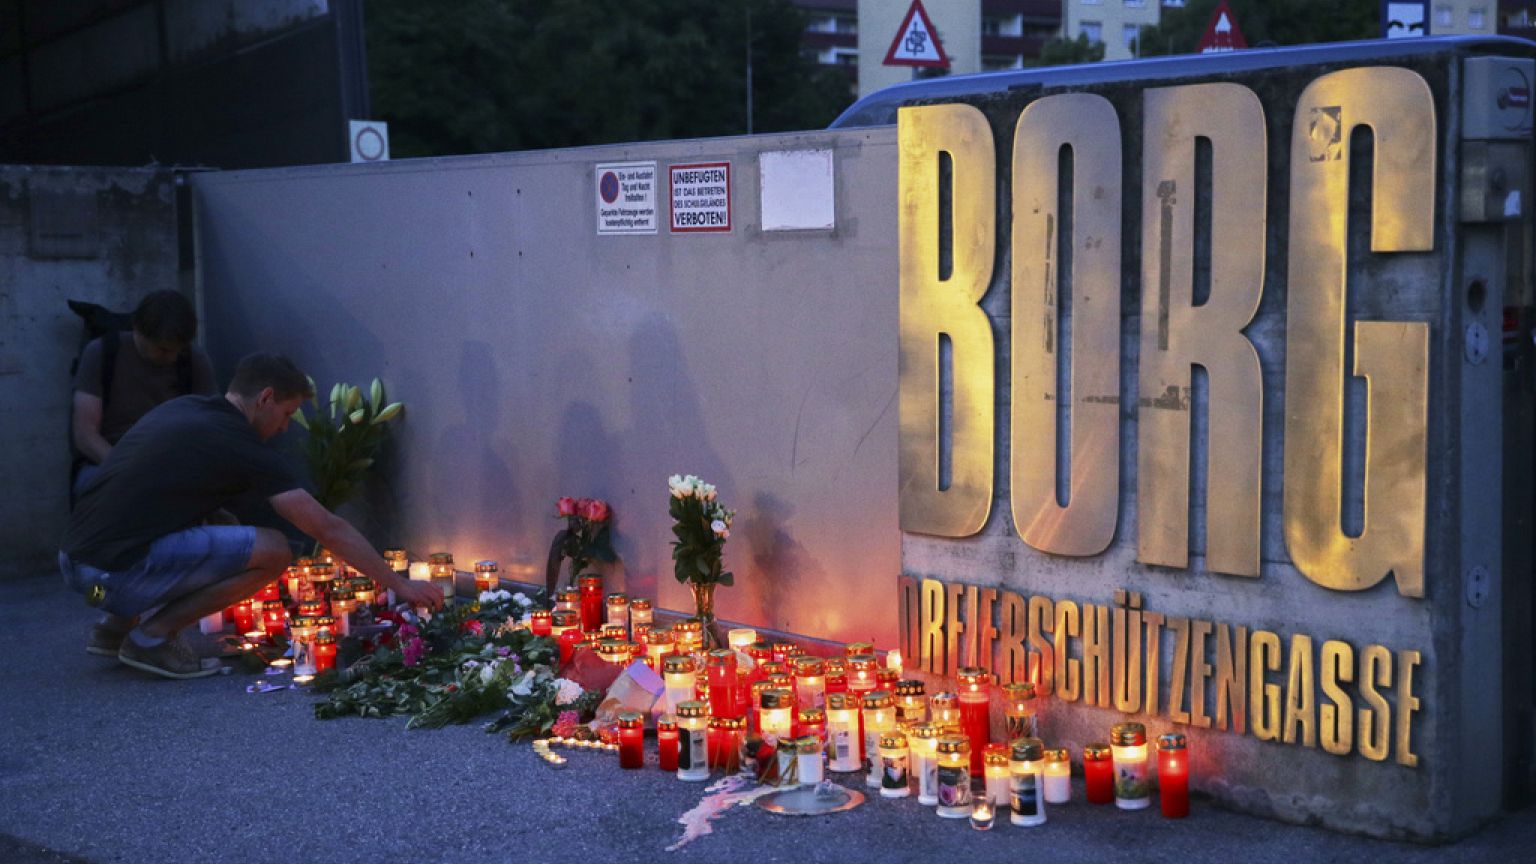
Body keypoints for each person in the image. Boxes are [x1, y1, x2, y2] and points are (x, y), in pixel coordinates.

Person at [59, 352, 443, 679]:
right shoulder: (238, 441)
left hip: (77, 562)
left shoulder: (188, 409)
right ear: (266, 398)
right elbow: (325, 526)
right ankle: (151, 637)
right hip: (110, 575)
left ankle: (113, 630)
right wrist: (401, 585)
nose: (285, 427)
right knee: (274, 550)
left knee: (222, 524)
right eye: (287, 413)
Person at [72, 290, 218, 496]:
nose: (173, 357)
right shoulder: (101, 353)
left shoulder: (194, 360)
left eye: (179, 349)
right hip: (110, 461)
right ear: (138, 330)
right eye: (164, 349)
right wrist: (129, 469)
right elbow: (85, 434)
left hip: (172, 461)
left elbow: (211, 427)